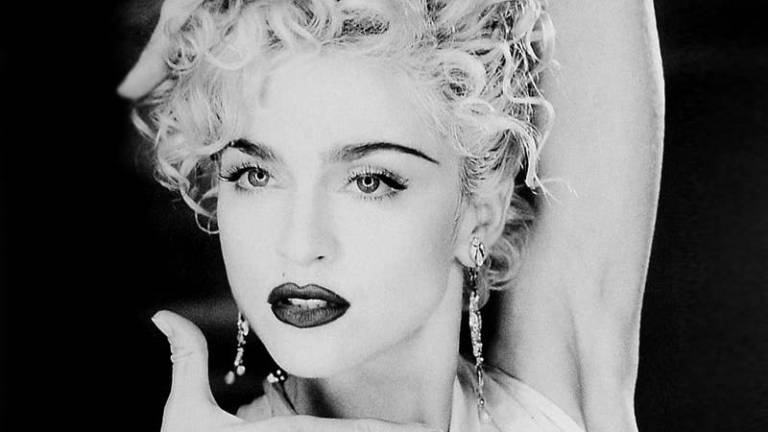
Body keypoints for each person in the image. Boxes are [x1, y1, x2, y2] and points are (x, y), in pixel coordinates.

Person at [120, 0, 664, 431]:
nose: (299, 244)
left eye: (369, 181)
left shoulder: (558, 403)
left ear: (481, 211)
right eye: (255, 175)